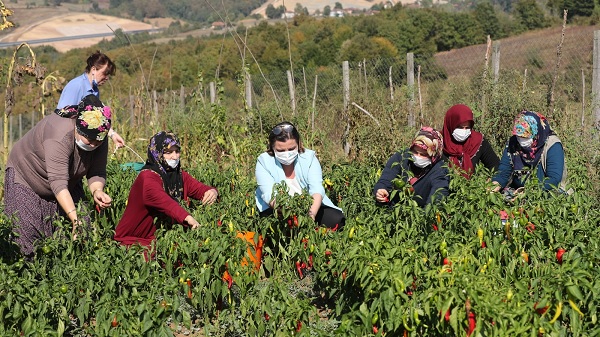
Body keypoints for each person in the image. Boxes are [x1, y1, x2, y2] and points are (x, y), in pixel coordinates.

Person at [4, 94, 113, 256]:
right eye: (89, 139)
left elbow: (96, 172)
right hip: (27, 177)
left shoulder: (99, 136)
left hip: (67, 181)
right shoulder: (58, 133)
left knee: (84, 228)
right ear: (78, 126)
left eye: (98, 141)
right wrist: (75, 220)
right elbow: (58, 182)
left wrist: (97, 190)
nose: (93, 144)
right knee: (27, 237)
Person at [114, 131, 218, 249]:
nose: (174, 156)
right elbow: (163, 200)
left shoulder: (178, 176)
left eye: (177, 151)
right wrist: (188, 218)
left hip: (160, 240)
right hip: (134, 242)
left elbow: (200, 189)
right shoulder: (147, 176)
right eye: (168, 152)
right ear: (157, 153)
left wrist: (212, 192)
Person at [255, 122, 345, 229]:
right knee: (276, 226)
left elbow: (316, 189)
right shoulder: (264, 161)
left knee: (336, 219)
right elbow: (270, 195)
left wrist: (310, 216)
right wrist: (291, 215)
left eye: (291, 148)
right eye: (281, 150)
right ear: (272, 148)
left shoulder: (308, 158)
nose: (287, 154)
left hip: (308, 206)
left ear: (298, 144)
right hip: (278, 209)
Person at [56, 51, 125, 148]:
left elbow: (96, 120)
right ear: (93, 69)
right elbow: (62, 115)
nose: (107, 78)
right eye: (105, 73)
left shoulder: (95, 91)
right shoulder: (76, 86)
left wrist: (112, 134)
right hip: (67, 141)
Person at [491, 111, 568, 194]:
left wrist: (528, 191)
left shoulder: (552, 145)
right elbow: (503, 172)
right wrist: (495, 185)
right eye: (519, 136)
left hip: (545, 192)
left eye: (526, 137)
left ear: (536, 133)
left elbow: (554, 179)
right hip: (517, 191)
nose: (521, 140)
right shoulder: (513, 143)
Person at [374, 126, 449, 208]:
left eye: (424, 154)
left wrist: (425, 217)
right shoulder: (402, 157)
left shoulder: (440, 170)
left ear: (434, 155)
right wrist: (381, 189)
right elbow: (386, 177)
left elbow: (437, 197)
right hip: (393, 210)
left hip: (419, 213)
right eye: (415, 152)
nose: (418, 156)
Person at [442, 104, 499, 178]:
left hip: (472, 187)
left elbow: (495, 165)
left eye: (467, 127)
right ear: (450, 125)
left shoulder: (477, 140)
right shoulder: (438, 142)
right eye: (460, 127)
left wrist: (489, 184)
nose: (464, 131)